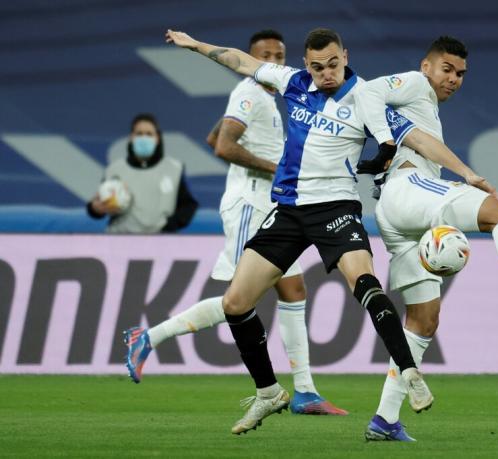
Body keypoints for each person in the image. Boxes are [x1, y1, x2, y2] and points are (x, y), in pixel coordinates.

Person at [165, 27, 451, 435]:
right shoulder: (293, 83)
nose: (326, 73)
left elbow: (416, 139)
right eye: (317, 67)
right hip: (289, 211)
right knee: (234, 303)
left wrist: (468, 175)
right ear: (306, 65)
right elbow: (240, 60)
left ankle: (410, 373)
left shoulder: (365, 96)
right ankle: (268, 393)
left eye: (333, 64)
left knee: (366, 283)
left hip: (335, 207)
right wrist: (196, 46)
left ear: (345, 56)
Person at [354, 36, 498, 441]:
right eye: (446, 69)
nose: (454, 79)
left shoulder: (417, 109)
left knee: (424, 320)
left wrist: (393, 134)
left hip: (393, 212)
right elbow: (368, 92)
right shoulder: (413, 83)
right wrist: (451, 166)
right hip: (408, 188)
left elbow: (405, 128)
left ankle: (385, 419)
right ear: (426, 66)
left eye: (461, 73)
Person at [123, 30, 346, 416]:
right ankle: (149, 337)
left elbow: (215, 138)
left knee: (293, 289)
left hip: (271, 205)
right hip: (249, 203)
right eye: (265, 55)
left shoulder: (266, 98)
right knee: (239, 300)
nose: (274, 61)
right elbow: (226, 147)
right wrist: (277, 169)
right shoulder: (250, 91)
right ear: (250, 58)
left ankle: (306, 391)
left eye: (280, 54)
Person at [87, 113, 198, 233]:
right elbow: (98, 204)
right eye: (139, 134)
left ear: (157, 139)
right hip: (119, 240)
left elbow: (188, 205)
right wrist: (94, 209)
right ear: (131, 137)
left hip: (160, 243)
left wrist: (168, 228)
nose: (144, 138)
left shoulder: (173, 169)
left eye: (149, 134)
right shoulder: (114, 169)